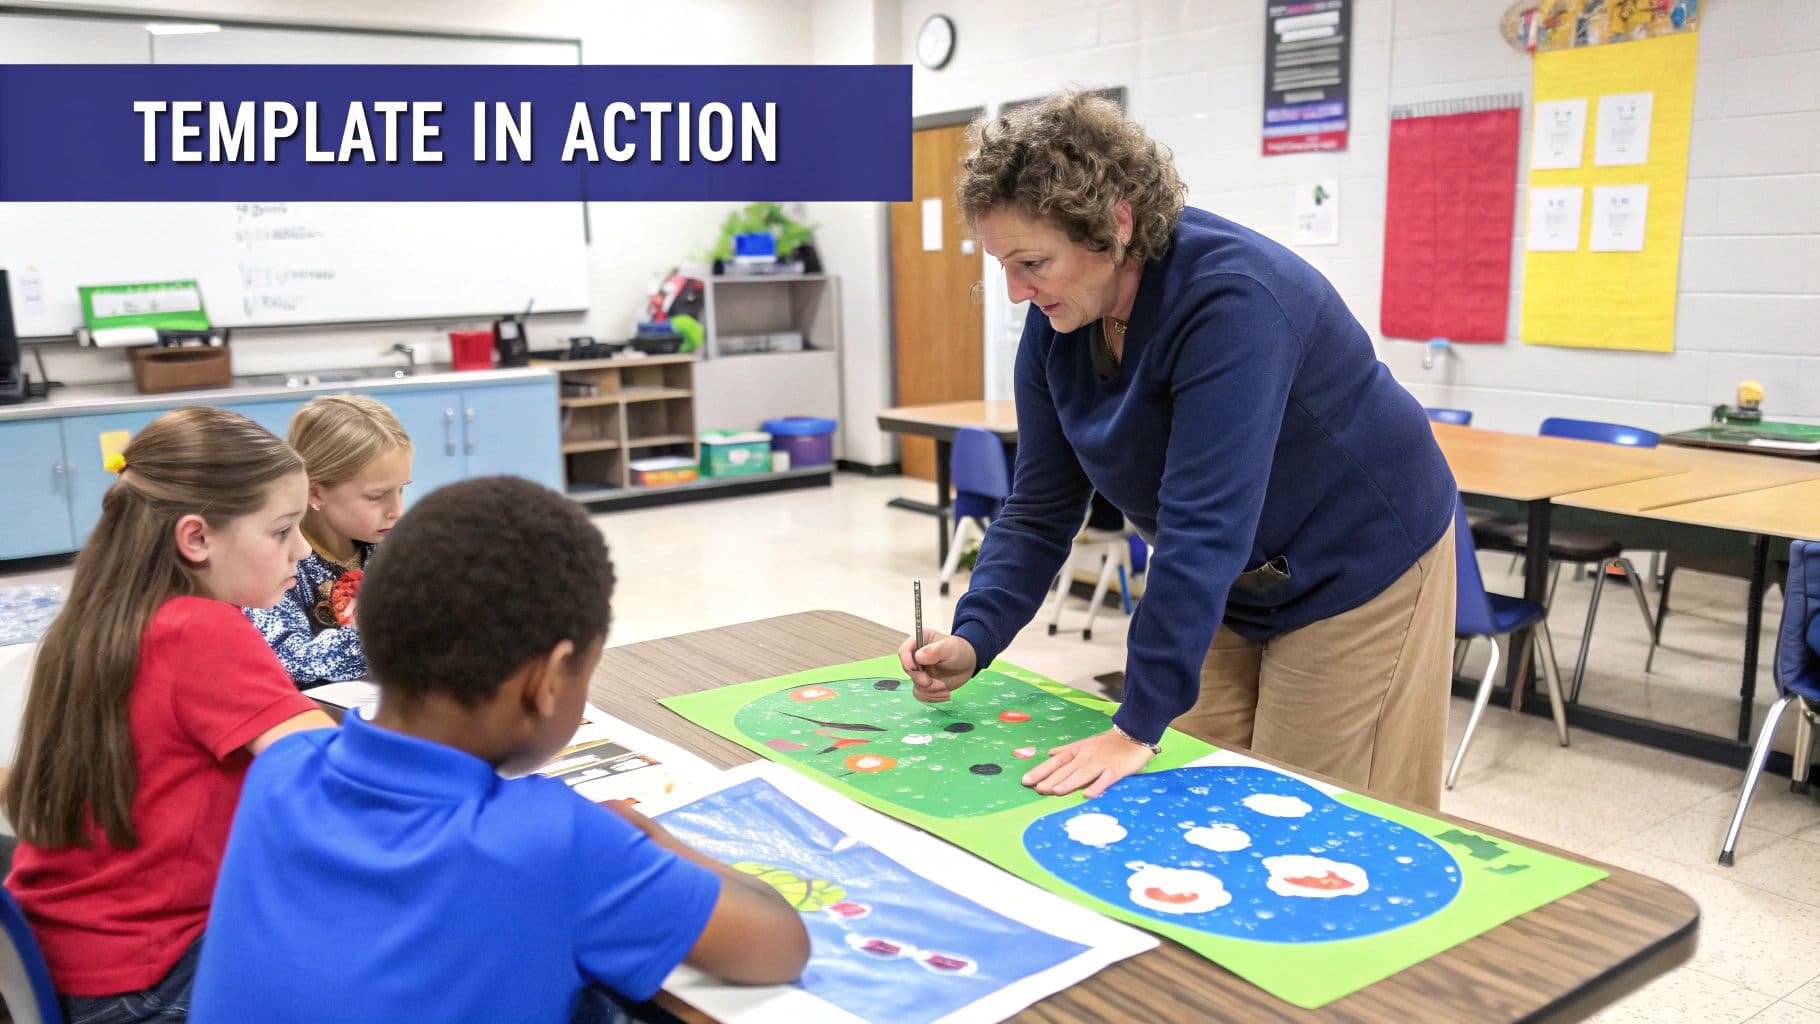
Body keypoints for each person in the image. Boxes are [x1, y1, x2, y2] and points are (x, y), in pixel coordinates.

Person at [900, 92, 1458, 808]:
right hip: (1233, 574)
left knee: (1310, 805)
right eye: (1002, 264)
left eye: (1032, 262)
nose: (1015, 292)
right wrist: (975, 637)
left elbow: (1204, 524)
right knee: (1187, 787)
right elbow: (1039, 508)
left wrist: (1134, 723)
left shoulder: (1233, 301)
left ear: (1116, 225)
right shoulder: (1058, 326)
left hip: (1361, 562)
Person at [191, 476, 809, 1024]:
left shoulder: (279, 770)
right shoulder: (555, 838)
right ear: (549, 678)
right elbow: (779, 946)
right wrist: (652, 838)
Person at [3, 406, 334, 1022]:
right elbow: (327, 777)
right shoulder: (200, 629)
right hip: (153, 974)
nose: (304, 550)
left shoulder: (94, 622)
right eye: (283, 530)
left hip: (66, 956)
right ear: (197, 538)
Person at [245, 394, 412, 685]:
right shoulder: (275, 565)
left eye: (401, 490)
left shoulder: (393, 549)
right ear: (316, 491)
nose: (397, 511)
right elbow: (289, 662)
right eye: (376, 496)